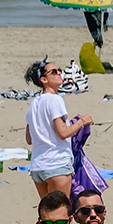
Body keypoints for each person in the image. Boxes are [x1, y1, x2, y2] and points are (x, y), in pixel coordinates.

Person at [24, 58, 92, 198]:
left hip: (38, 165)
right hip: (56, 163)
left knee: (47, 210)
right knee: (61, 209)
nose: (59, 73)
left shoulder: (34, 103)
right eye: (54, 72)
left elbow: (29, 138)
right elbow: (63, 133)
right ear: (44, 80)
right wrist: (81, 122)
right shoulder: (55, 99)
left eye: (59, 70)